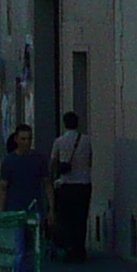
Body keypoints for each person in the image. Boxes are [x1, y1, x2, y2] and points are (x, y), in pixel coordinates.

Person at [0, 124, 49, 272]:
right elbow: (3, 188)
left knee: (32, 251)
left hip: (34, 210)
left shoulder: (39, 159)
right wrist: (2, 212)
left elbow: (46, 184)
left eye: (29, 139)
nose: (26, 142)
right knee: (19, 250)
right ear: (16, 139)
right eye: (23, 139)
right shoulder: (9, 161)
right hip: (15, 211)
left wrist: (50, 209)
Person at [49, 110, 94, 260]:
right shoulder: (86, 140)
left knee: (67, 217)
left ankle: (69, 247)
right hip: (84, 184)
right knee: (81, 217)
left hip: (66, 185)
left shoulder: (59, 141)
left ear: (64, 124)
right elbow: (90, 161)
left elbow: (53, 162)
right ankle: (80, 248)